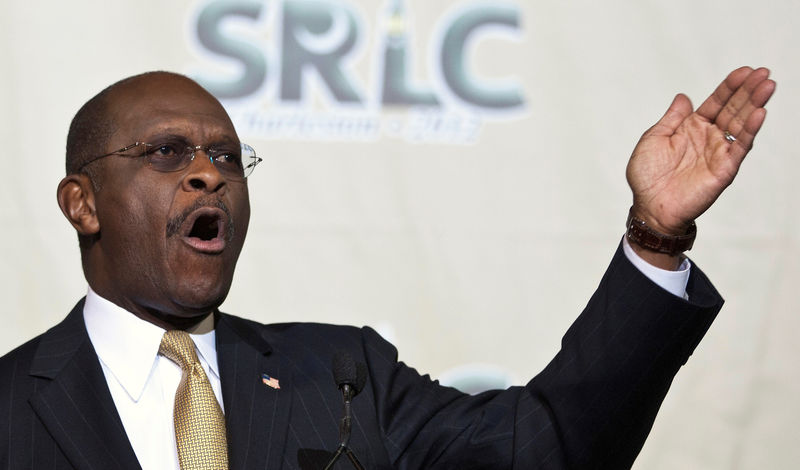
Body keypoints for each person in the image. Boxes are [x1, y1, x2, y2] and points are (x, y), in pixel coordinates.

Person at [0, 67, 775, 470]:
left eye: (228, 157)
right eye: (167, 154)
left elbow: (545, 449)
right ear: (83, 203)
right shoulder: (11, 407)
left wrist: (656, 238)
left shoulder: (342, 376)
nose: (211, 175)